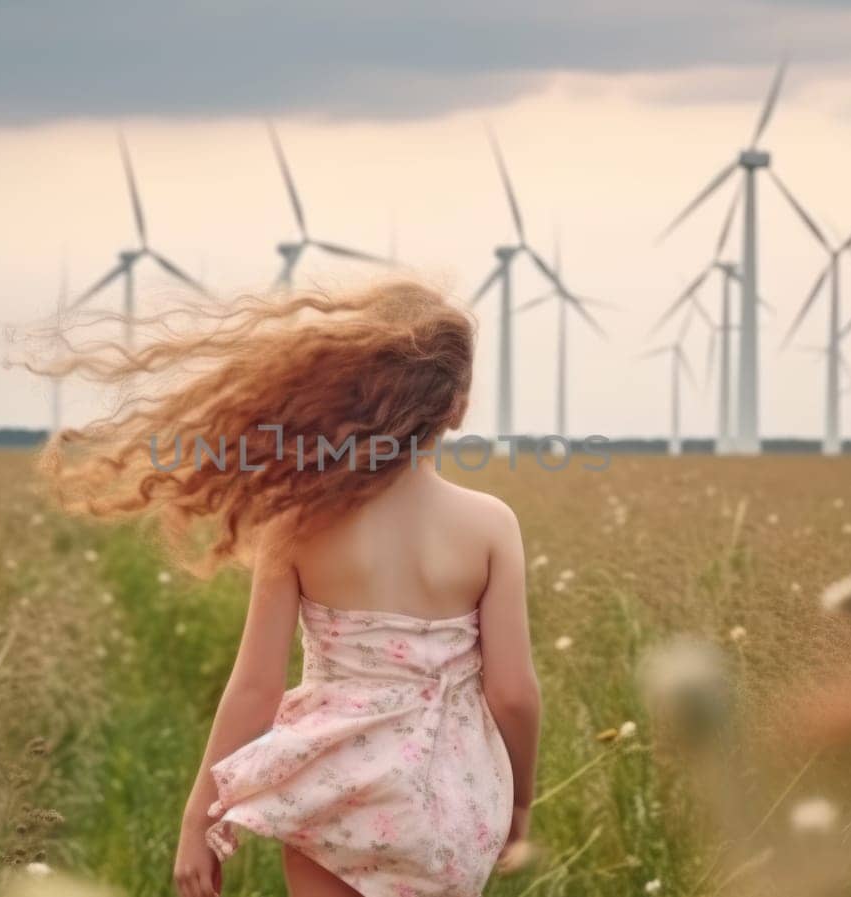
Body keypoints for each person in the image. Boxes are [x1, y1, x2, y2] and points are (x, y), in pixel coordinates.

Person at [41, 281, 541, 896]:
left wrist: (198, 820)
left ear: (348, 390)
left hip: (334, 785)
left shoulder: (298, 524)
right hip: (455, 791)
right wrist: (518, 805)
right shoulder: (491, 525)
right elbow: (513, 694)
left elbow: (255, 688)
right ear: (457, 406)